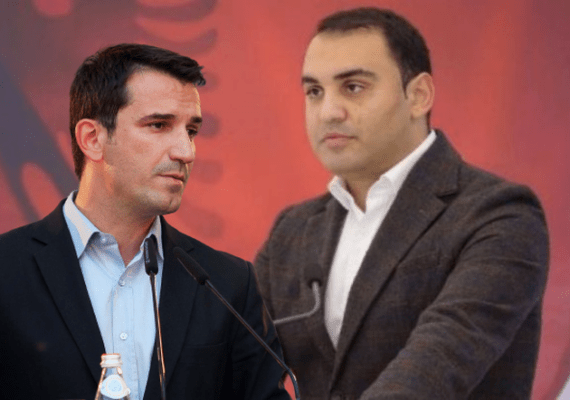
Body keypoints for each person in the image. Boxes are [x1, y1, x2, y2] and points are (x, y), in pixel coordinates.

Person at [255, 7, 549, 400]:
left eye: (353, 87)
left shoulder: (500, 215)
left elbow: (435, 367)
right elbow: (230, 362)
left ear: (419, 95)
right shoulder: (292, 231)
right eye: (314, 92)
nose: (328, 112)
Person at [0, 44, 289, 400]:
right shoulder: (6, 269)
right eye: (159, 125)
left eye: (191, 131)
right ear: (93, 138)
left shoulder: (228, 284)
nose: (186, 152)